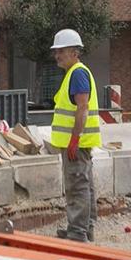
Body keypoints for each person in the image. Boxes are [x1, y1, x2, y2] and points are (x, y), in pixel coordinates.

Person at [46, 28, 99, 243]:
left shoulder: (77, 73)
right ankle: (84, 229)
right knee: (85, 185)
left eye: (62, 51)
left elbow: (82, 108)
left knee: (77, 185)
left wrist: (74, 139)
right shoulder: (74, 73)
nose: (57, 55)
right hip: (77, 142)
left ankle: (78, 233)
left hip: (76, 143)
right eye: (56, 51)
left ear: (75, 52)